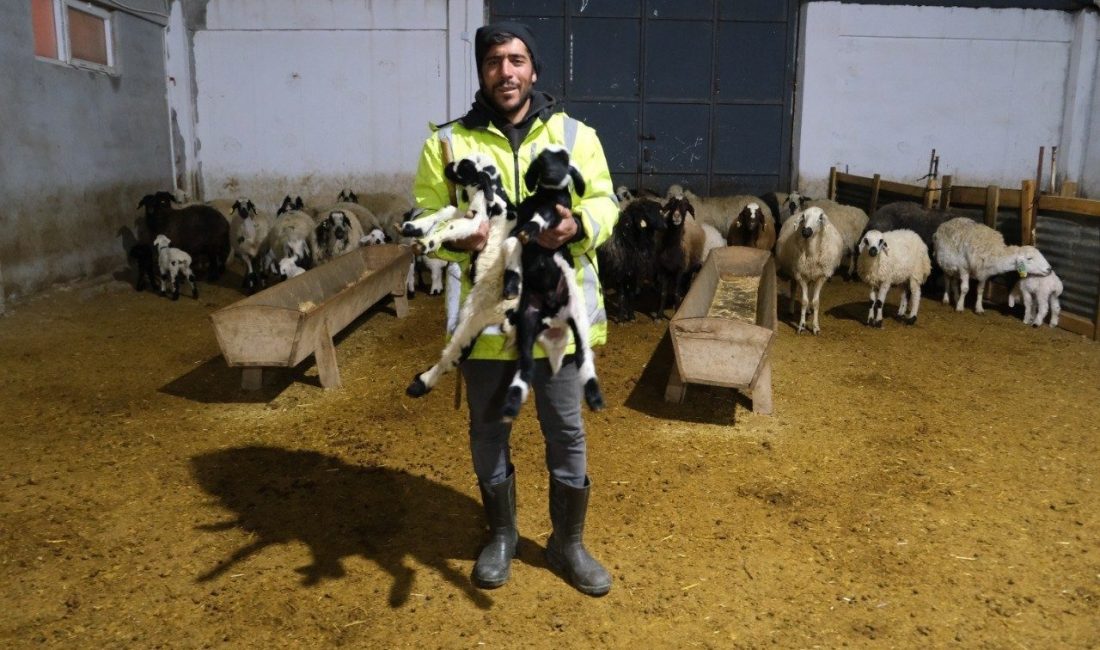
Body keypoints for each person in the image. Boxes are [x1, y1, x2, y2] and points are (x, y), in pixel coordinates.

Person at [411, 21, 619, 596]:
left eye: (517, 59)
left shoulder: (576, 136)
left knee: (566, 431)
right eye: (495, 61)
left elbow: (605, 199)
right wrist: (459, 234)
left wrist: (580, 226)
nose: (507, 71)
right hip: (486, 322)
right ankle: (502, 535)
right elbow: (427, 212)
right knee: (488, 431)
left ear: (534, 69)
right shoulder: (447, 144)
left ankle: (567, 544)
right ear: (481, 71)